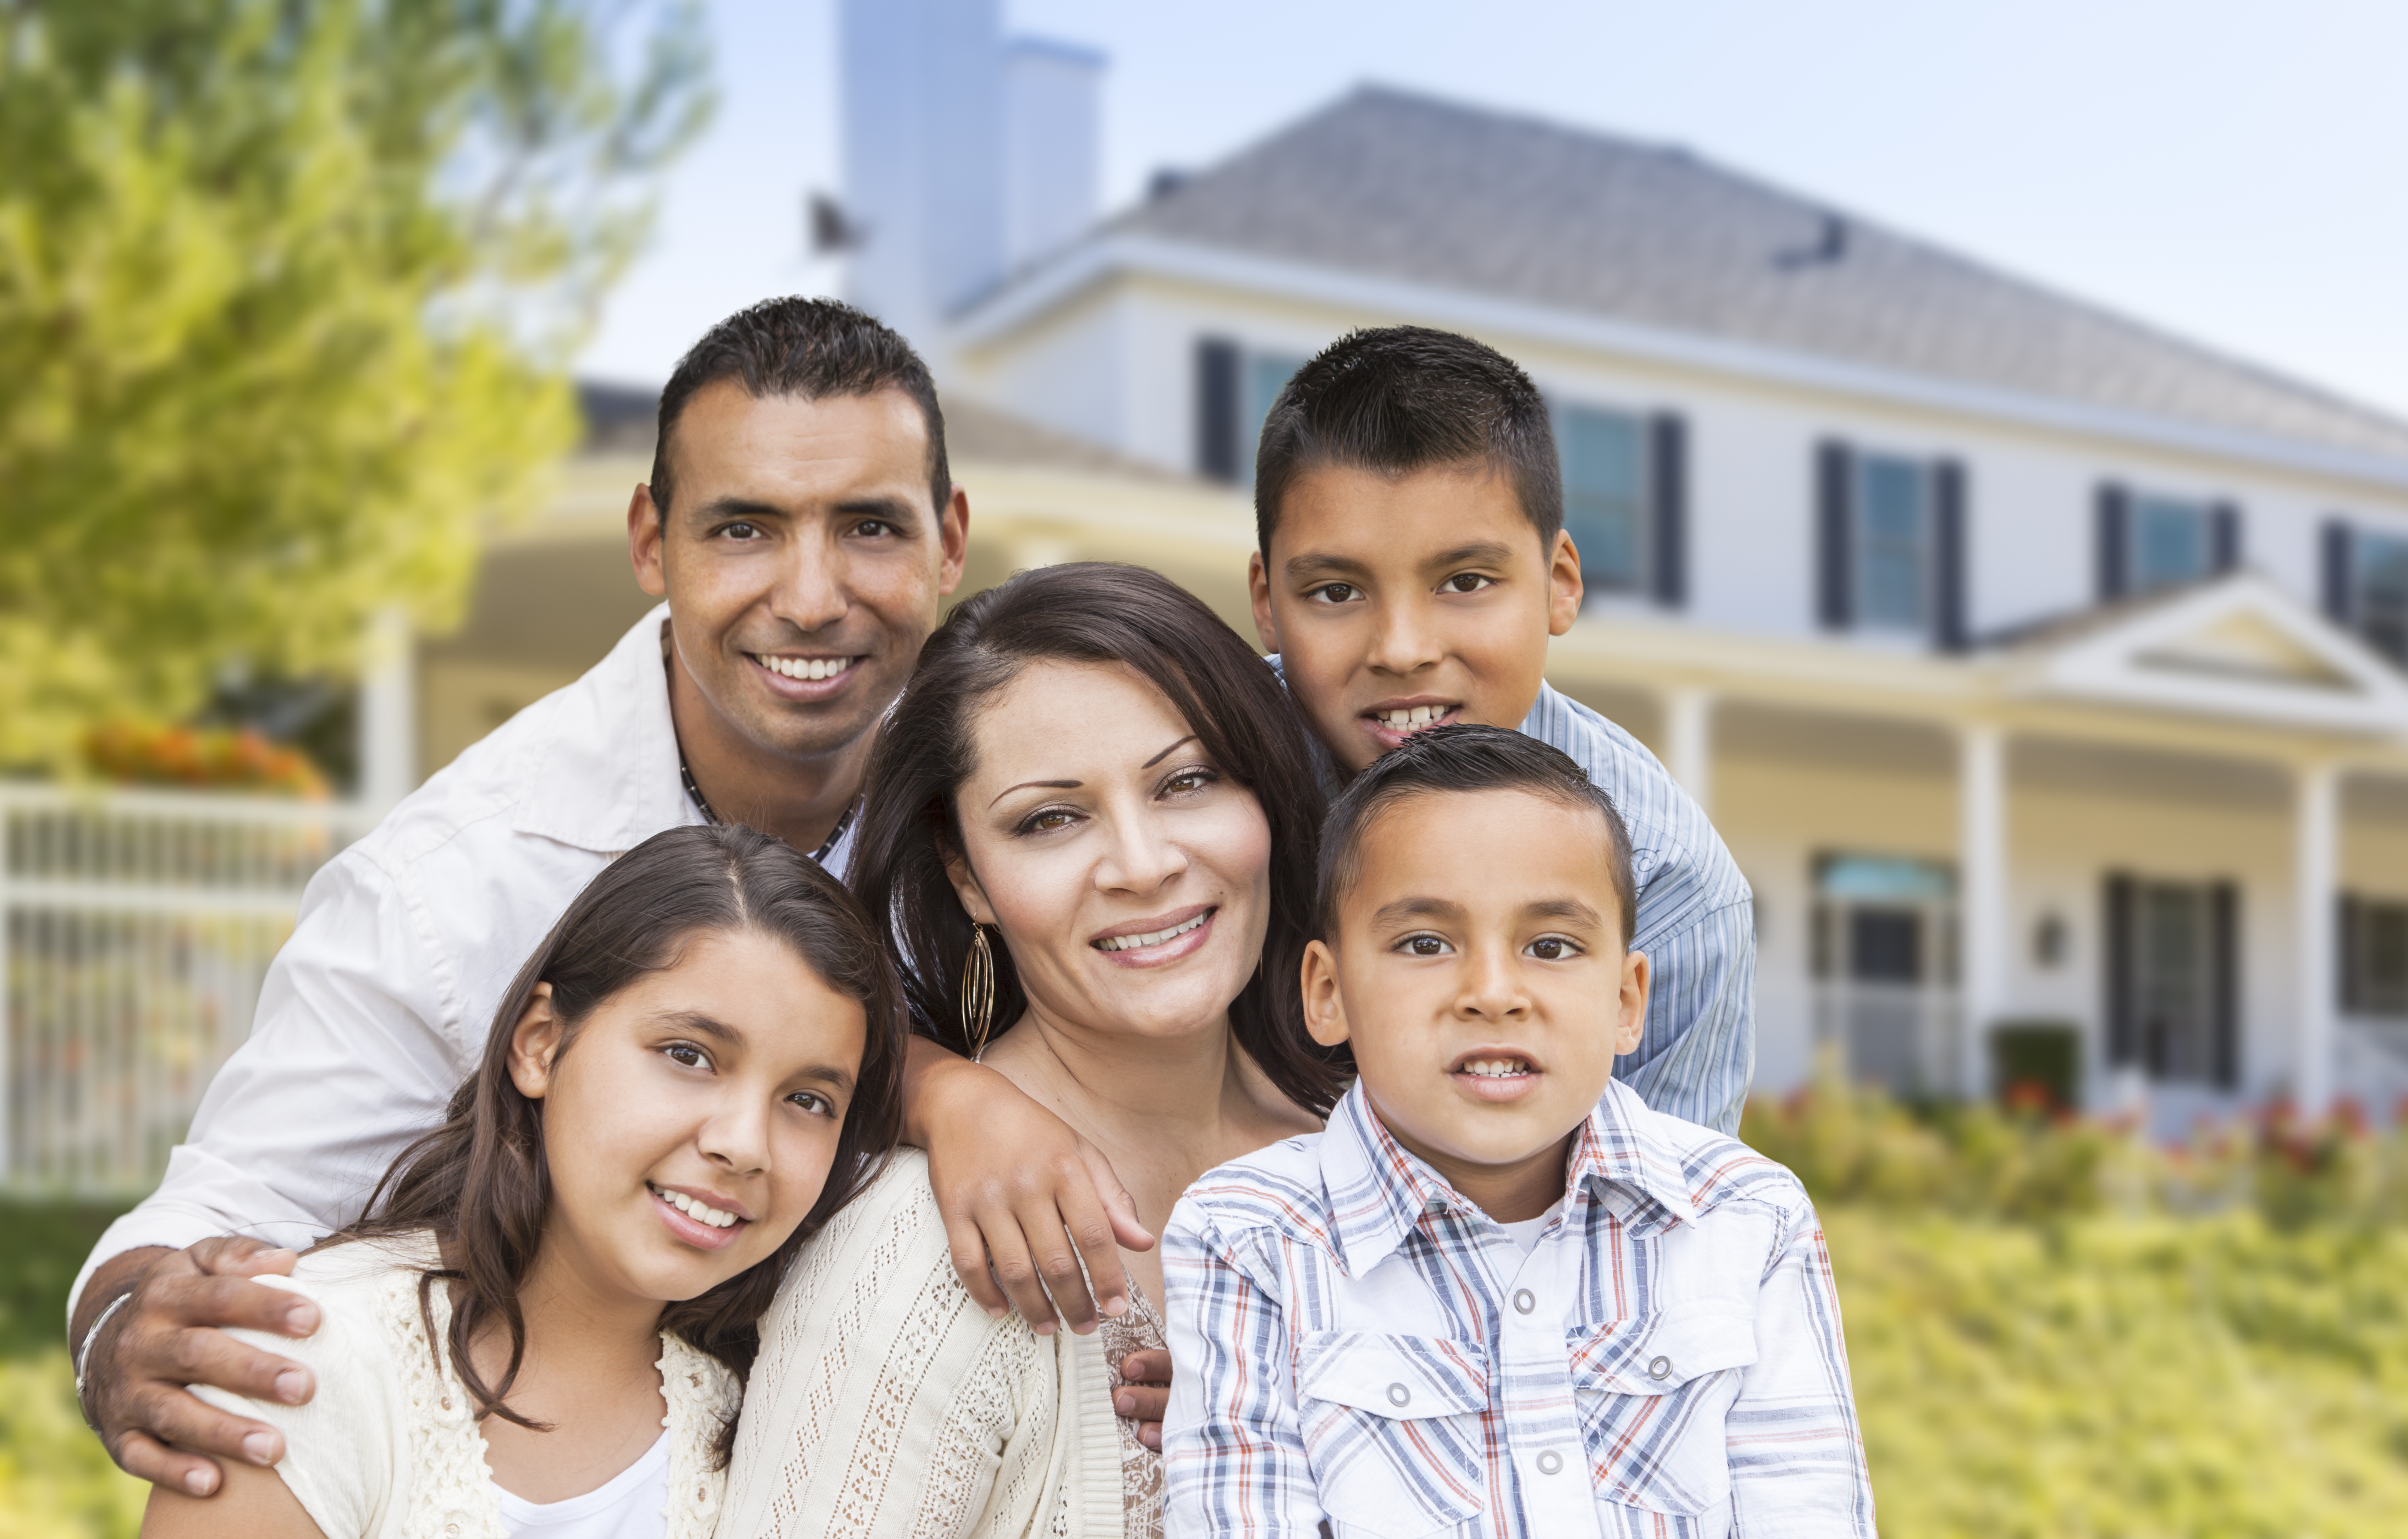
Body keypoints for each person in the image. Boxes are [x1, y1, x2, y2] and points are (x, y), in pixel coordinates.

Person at [74, 298, 1153, 1500]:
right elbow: (236, 1203)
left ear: (950, 542)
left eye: (869, 528)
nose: (808, 596)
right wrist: (130, 1324)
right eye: (743, 529)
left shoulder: (1011, 783)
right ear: (651, 540)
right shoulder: (454, 882)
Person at [718, 563, 1348, 1538]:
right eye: (1051, 819)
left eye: (1188, 781)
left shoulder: (1383, 1162)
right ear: (968, 875)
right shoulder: (919, 1252)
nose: (1144, 865)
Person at [1162, 726, 1874, 1538]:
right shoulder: (1251, 1237)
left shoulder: (1746, 1218)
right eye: (1425, 943)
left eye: (1551, 946)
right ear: (1327, 992)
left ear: (1626, 1001)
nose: (1493, 993)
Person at [146, 823, 906, 1539]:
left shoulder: (789, 1399)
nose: (744, 1147)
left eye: (809, 1101)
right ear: (541, 1044)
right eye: (688, 1055)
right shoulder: (307, 1361)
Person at [1245, 324, 1757, 1132]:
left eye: (1466, 581)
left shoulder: (1671, 887)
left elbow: (1665, 1227)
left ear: (1558, 584)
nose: (1403, 650)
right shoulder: (1190, 777)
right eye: (1337, 593)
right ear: (1267, 601)